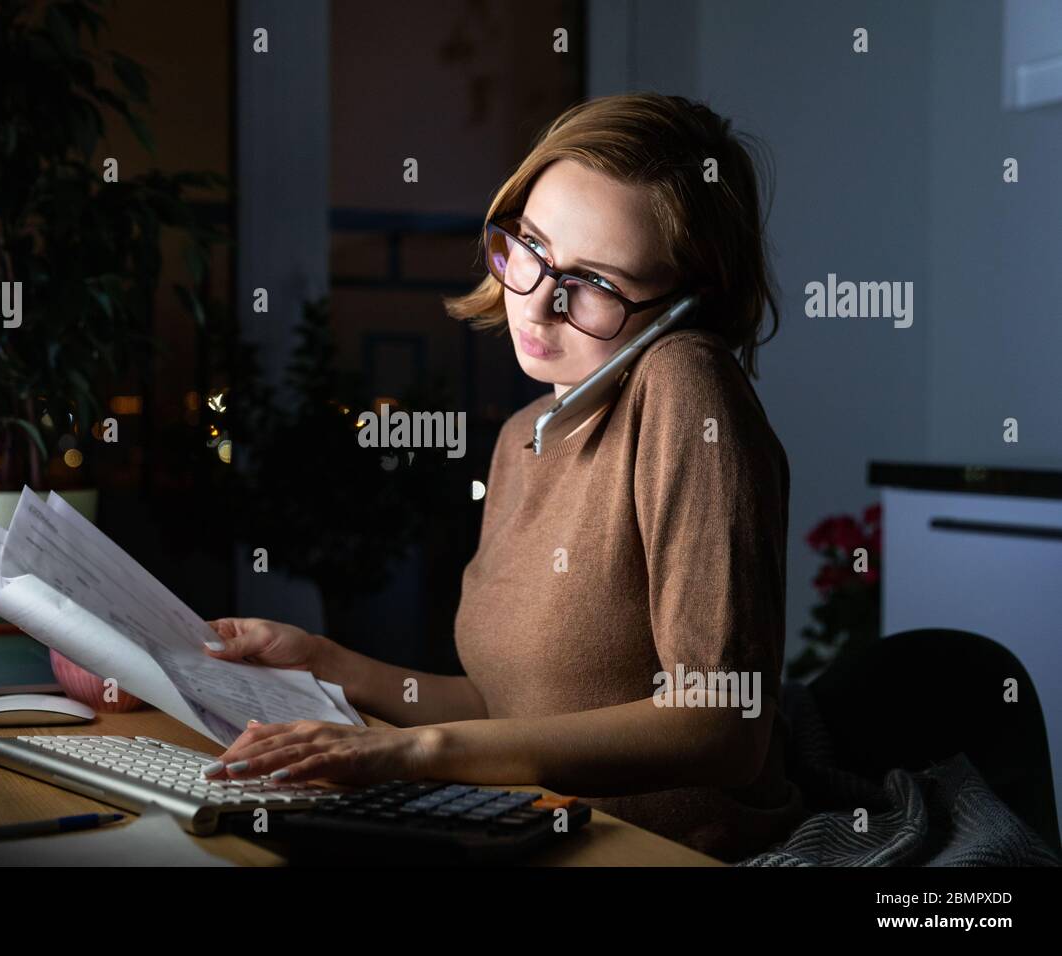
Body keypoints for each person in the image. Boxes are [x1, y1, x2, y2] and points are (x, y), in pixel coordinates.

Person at [200, 92, 804, 862]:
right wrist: (325, 662)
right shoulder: (524, 436)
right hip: (533, 831)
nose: (540, 302)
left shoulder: (687, 384)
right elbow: (506, 708)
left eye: (597, 284)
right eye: (533, 246)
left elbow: (725, 728)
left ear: (683, 308)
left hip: (664, 851)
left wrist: (418, 754)